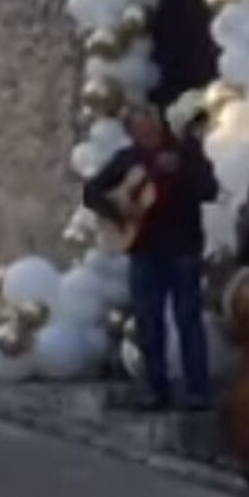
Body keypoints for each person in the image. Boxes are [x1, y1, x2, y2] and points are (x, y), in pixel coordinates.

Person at [83, 105, 220, 411]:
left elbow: (209, 190)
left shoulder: (186, 153)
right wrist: (119, 211)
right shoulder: (127, 159)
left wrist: (183, 171)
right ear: (132, 131)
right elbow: (91, 191)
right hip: (143, 250)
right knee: (148, 322)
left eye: (151, 123)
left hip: (182, 249)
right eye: (140, 126)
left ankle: (198, 391)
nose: (147, 130)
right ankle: (156, 390)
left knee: (188, 321)